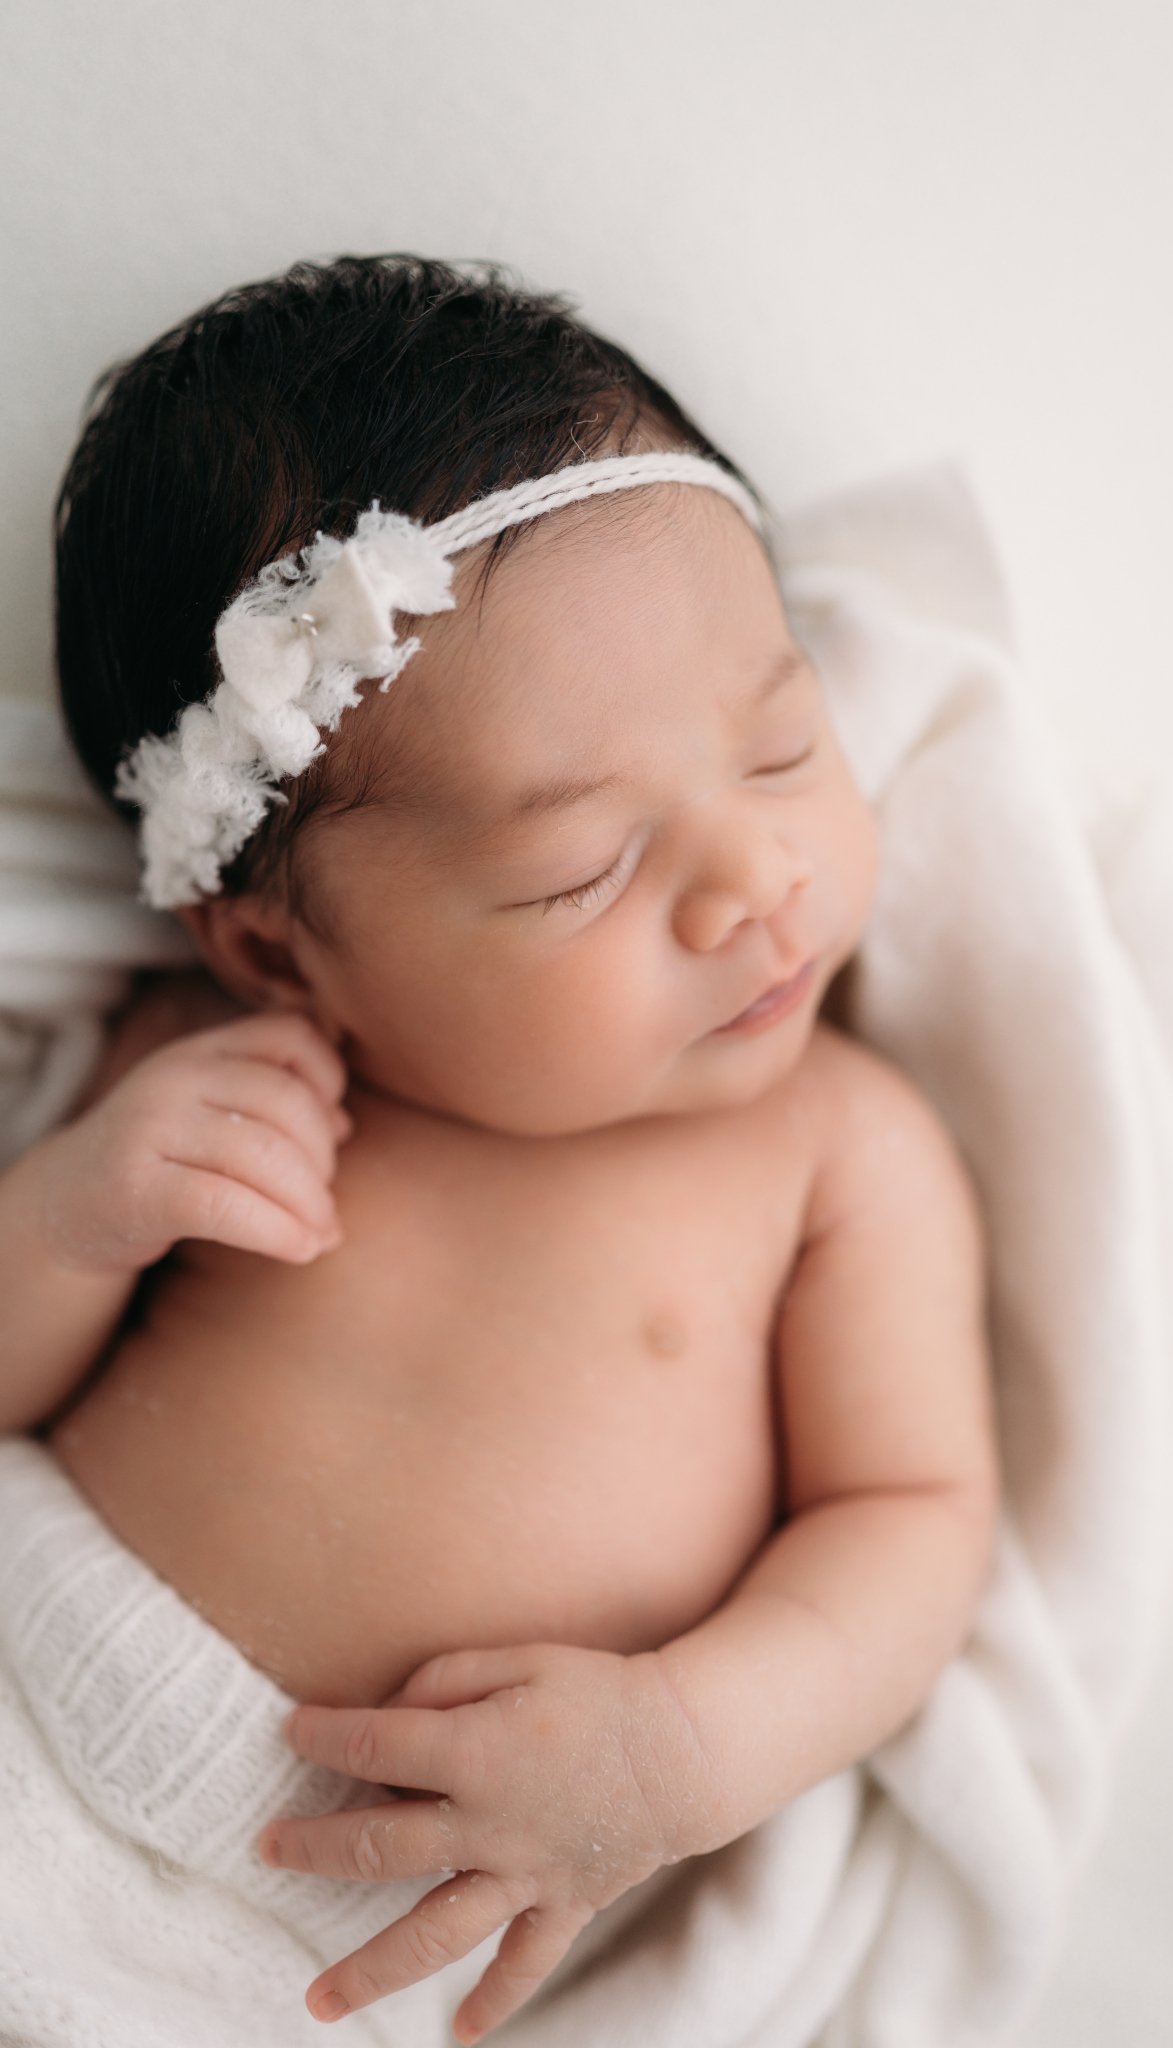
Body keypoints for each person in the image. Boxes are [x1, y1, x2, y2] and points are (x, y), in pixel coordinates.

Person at [0, 254, 999, 2044]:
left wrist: (683, 1752)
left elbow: (913, 1524)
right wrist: (68, 1222)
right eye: (579, 870)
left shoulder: (842, 1156)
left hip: (337, 1935)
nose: (755, 879)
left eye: (781, 748)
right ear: (283, 948)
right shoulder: (225, 1064)